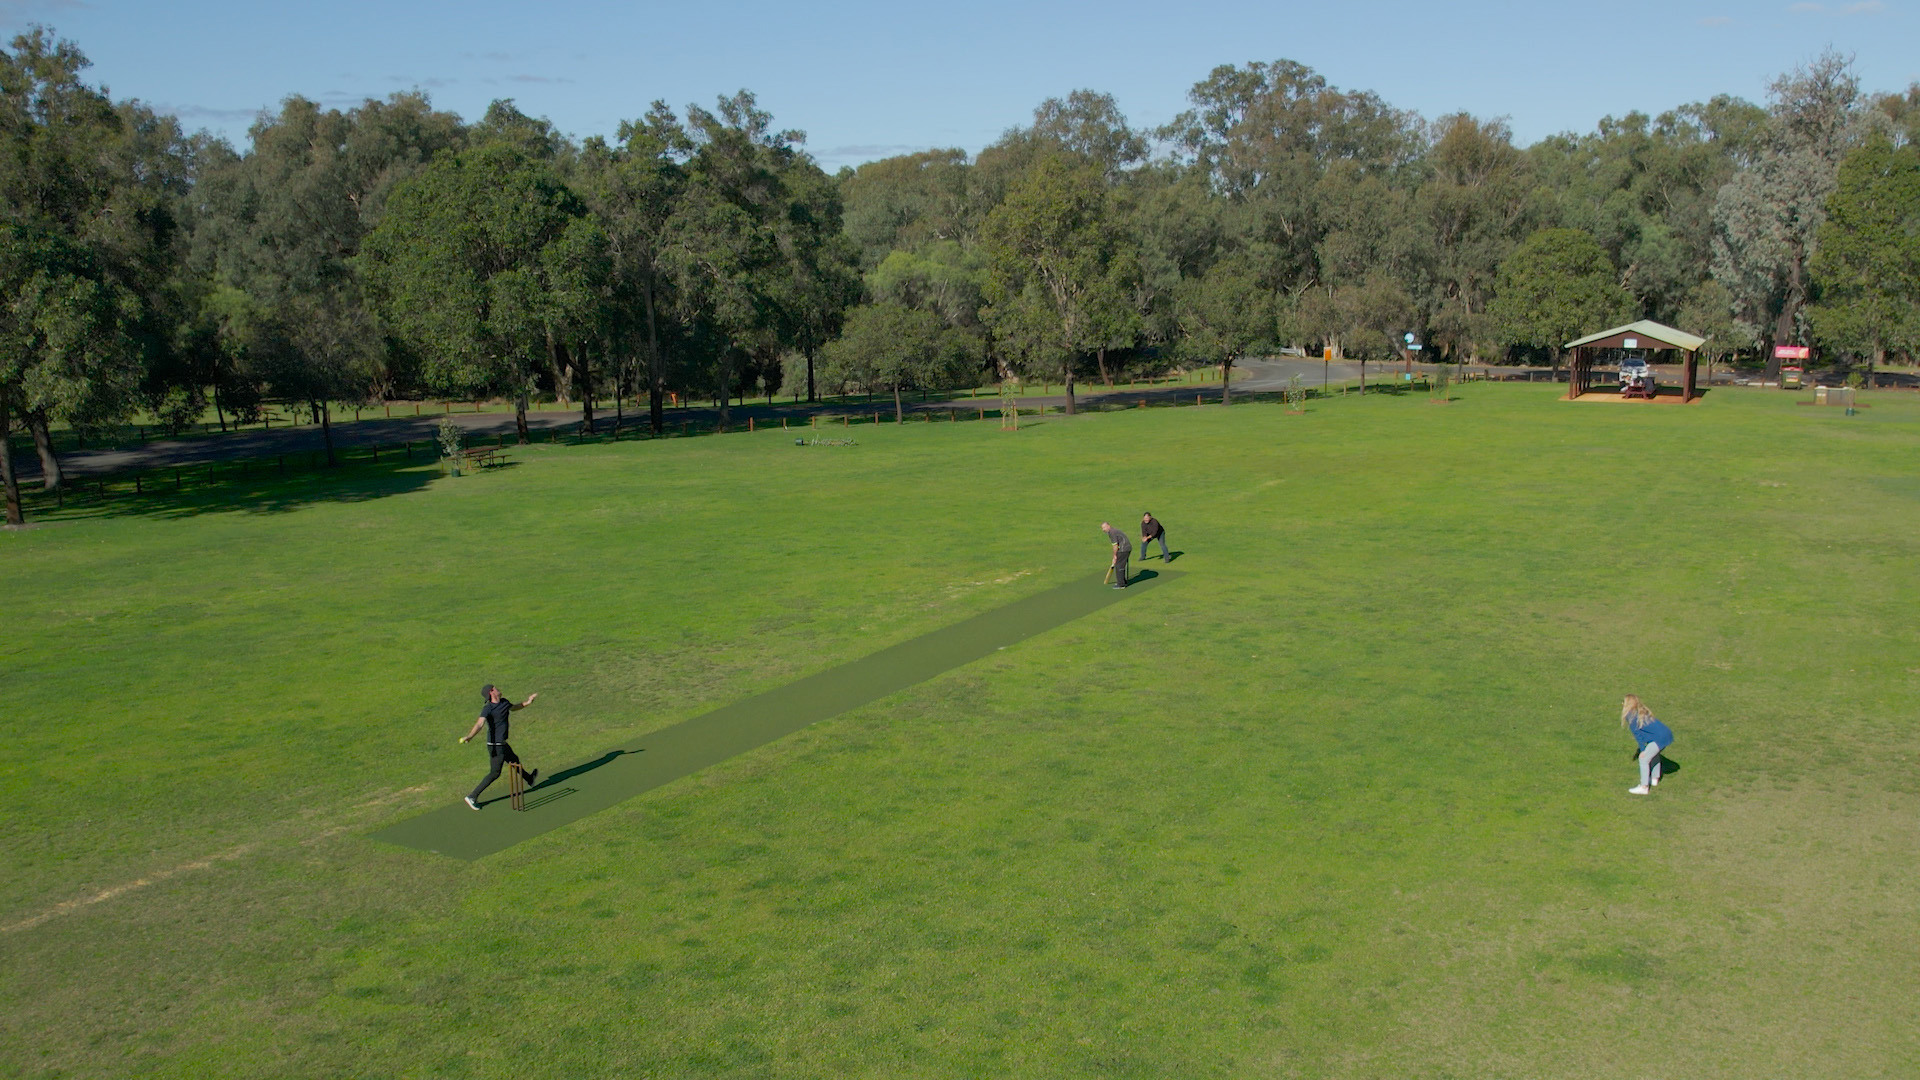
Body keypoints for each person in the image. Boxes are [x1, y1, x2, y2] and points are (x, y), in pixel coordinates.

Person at [460, 684, 539, 809]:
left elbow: (514, 707)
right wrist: (469, 736)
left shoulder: (504, 702)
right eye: (495, 688)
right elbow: (480, 724)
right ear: (492, 692)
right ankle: (472, 796)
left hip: (502, 743)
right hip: (495, 746)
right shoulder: (488, 708)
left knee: (514, 760)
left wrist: (528, 702)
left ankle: (529, 779)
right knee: (495, 773)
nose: (498, 689)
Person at [1621, 693, 1673, 795]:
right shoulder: (1641, 711)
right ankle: (1654, 779)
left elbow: (1638, 735)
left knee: (1644, 758)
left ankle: (1644, 787)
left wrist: (1643, 750)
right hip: (1666, 735)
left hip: (1659, 738)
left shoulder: (1631, 716)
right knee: (1654, 753)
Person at [1100, 521, 1131, 588]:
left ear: (1108, 526)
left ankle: (1121, 584)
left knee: (1119, 565)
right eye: (1102, 528)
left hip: (1124, 549)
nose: (1103, 530)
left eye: (1104, 527)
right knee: (1120, 565)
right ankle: (1123, 581)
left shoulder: (1112, 532)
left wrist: (1114, 556)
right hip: (1126, 548)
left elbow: (1115, 546)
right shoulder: (1113, 531)